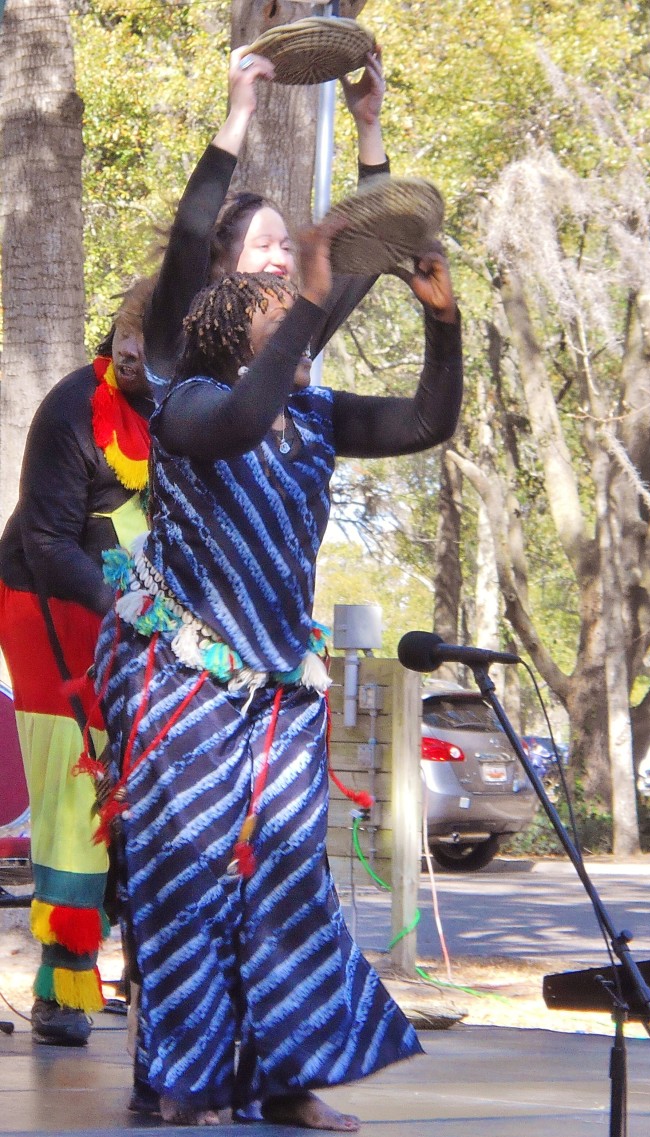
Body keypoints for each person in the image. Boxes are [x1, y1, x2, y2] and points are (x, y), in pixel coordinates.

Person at [94, 203, 461, 1127]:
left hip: (277, 697)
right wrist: (309, 293)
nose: (305, 339)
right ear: (235, 338)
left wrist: (441, 319)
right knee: (186, 880)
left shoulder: (314, 414)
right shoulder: (190, 408)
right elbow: (246, 414)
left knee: (288, 884)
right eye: (283, 323)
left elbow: (427, 419)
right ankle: (185, 1082)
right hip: (185, 691)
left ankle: (284, 1079)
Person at [0, 279, 155, 1045]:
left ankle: (152, 971)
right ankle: (64, 978)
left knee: (147, 783)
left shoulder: (197, 411)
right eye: (124, 330)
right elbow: (48, 543)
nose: (130, 346)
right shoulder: (73, 407)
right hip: (47, 602)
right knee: (76, 784)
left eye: (146, 337)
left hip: (137, 612)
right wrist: (124, 610)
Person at [142, 43, 391, 398]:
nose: (281, 258)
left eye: (286, 247)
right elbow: (192, 228)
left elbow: (375, 241)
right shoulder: (179, 331)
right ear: (218, 264)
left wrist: (368, 123)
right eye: (263, 245)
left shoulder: (292, 334)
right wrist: (240, 112)